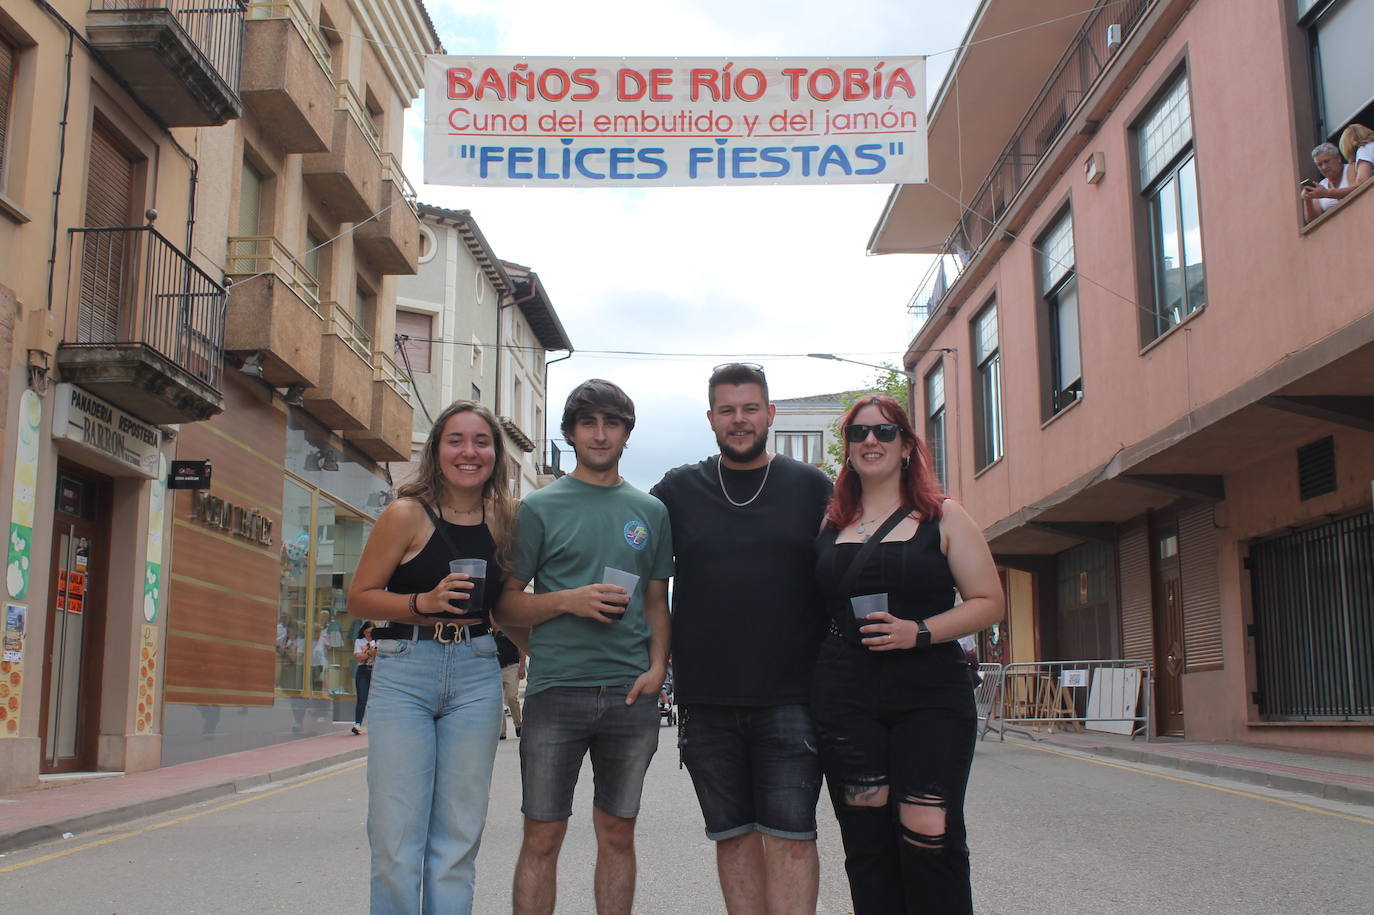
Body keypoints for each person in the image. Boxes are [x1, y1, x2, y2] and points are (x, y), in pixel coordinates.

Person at [649, 362, 832, 914]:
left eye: (751, 408)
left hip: (793, 697)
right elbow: (632, 554)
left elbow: (855, 564)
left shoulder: (812, 487)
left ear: (770, 413)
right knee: (731, 839)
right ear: (710, 418)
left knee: (793, 840)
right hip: (706, 699)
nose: (740, 419)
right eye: (727, 410)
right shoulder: (679, 489)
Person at [811, 395, 1004, 915]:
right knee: (865, 836)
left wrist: (917, 631)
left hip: (930, 695)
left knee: (929, 830)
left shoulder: (943, 515)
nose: (870, 441)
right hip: (845, 696)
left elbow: (989, 602)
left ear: (905, 447)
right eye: (858, 434)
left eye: (884, 432)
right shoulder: (831, 525)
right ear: (847, 450)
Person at [495, 379, 672, 915]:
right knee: (542, 837)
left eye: (611, 423)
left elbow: (656, 602)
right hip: (555, 693)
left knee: (618, 834)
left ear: (626, 432)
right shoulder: (539, 508)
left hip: (629, 693)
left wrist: (658, 667)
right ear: (570, 432)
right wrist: (568, 601)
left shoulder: (651, 511)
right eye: (588, 423)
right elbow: (505, 607)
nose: (600, 434)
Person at [346, 400, 517, 914]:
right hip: (405, 668)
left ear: (495, 453)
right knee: (397, 838)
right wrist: (422, 602)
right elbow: (359, 597)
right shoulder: (405, 513)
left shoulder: (508, 518)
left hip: (477, 670)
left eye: (481, 442)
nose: (469, 452)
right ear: (437, 451)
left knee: (459, 837)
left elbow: (509, 606)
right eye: (456, 440)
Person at [1302, 141, 1362, 221]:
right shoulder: (1321, 185)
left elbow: (1358, 193)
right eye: (1319, 164)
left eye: (1326, 161)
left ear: (1338, 158)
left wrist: (1326, 193)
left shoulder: (1350, 169)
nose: (1324, 167)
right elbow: (1312, 220)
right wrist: (1307, 201)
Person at [494, 628, 525, 739]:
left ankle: (518, 724)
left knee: (512, 697)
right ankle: (501, 732)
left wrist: (522, 667)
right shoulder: (488, 632)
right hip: (494, 669)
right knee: (498, 701)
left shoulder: (509, 628)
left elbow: (521, 648)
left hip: (511, 667)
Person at [352, 621, 377, 735]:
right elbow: (358, 656)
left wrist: (370, 653)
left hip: (375, 671)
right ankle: (357, 723)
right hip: (363, 670)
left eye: (371, 633)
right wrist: (370, 653)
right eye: (367, 633)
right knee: (362, 699)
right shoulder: (359, 641)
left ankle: (375, 723)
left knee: (375, 699)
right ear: (364, 632)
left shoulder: (378, 641)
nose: (369, 635)